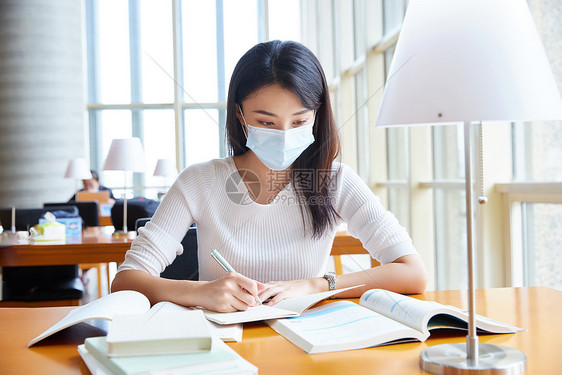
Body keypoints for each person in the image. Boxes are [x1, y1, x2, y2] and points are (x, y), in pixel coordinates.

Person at [111, 40, 427, 312]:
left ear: (316, 115)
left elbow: (412, 272)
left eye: (300, 121)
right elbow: (126, 280)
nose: (285, 135)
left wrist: (318, 285)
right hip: (225, 343)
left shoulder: (335, 181)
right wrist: (199, 292)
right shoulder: (199, 181)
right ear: (239, 114)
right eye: (267, 123)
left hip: (308, 342)